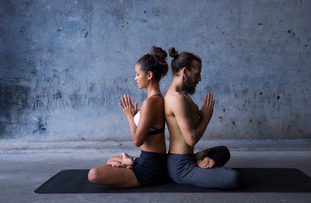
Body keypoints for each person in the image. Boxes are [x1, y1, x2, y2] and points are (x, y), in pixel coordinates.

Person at [88, 46, 169, 188]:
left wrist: (130, 117)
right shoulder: (156, 99)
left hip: (151, 169)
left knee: (93, 175)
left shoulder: (151, 103)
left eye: (138, 74)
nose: (135, 78)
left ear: (149, 75)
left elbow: (137, 140)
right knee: (111, 159)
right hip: (148, 159)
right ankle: (128, 162)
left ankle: (128, 163)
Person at [164, 47, 240, 189]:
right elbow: (191, 139)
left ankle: (199, 160)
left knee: (223, 151)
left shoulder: (182, 94)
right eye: (197, 74)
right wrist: (205, 119)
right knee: (233, 178)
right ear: (185, 72)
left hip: (188, 158)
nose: (199, 79)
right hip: (181, 167)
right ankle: (198, 164)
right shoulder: (176, 98)